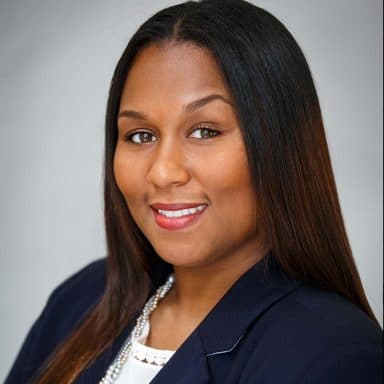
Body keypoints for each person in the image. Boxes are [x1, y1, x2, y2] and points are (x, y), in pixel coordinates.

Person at [5, 0, 382, 383]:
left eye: (205, 131)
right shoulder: (83, 300)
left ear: (282, 147)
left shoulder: (333, 355)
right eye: (141, 135)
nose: (163, 172)